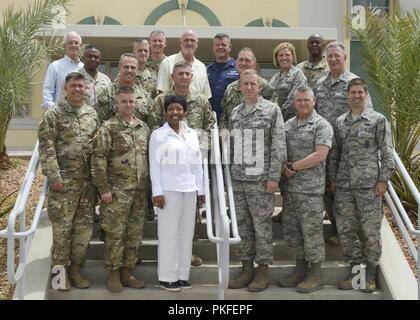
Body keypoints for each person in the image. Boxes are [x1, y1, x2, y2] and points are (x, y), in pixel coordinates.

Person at [330, 78, 394, 292]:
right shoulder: (340, 122)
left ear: (366, 94)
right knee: (346, 231)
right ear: (347, 95)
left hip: (369, 186)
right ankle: (355, 273)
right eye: (353, 92)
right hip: (345, 187)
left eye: (360, 92)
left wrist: (383, 180)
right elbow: (335, 154)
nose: (356, 96)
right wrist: (333, 179)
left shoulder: (378, 120)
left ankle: (371, 275)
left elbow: (386, 152)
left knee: (370, 231)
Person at [148, 61, 215, 267]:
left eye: (187, 73)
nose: (184, 77)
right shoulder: (161, 100)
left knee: (190, 215)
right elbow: (153, 126)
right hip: (167, 168)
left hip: (191, 167)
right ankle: (169, 257)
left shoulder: (202, 101)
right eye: (180, 74)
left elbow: (210, 127)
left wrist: (199, 152)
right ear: (172, 77)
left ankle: (188, 252)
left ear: (192, 77)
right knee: (168, 217)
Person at [38, 72, 99, 290]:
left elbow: (97, 148)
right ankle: (59, 275)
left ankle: (75, 271)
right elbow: (47, 147)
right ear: (65, 88)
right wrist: (54, 177)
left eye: (81, 86)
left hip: (87, 185)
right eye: (73, 85)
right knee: (62, 232)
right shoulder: (53, 114)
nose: (77, 89)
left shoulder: (91, 114)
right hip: (63, 184)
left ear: (85, 89)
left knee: (83, 232)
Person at [227, 69, 286, 292]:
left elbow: (279, 145)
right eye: (245, 84)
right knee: (243, 226)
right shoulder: (235, 112)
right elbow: (232, 147)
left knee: (261, 227)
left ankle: (262, 271)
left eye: (253, 84)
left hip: (261, 181)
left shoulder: (272, 110)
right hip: (239, 179)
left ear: (260, 87)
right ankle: (246, 269)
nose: (249, 87)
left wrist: (274, 177)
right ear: (240, 87)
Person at [91, 86, 150, 292]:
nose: (128, 105)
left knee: (134, 233)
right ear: (117, 103)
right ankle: (113, 273)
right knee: (115, 233)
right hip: (116, 192)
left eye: (131, 101)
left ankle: (127, 271)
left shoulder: (144, 128)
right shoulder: (109, 128)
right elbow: (98, 159)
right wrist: (104, 189)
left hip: (140, 192)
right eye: (124, 101)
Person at [314, 41, 373, 244]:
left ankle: (351, 233)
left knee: (347, 192)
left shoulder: (355, 83)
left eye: (336, 56)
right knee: (327, 190)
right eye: (329, 56)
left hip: (349, 150)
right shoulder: (320, 84)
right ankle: (338, 228)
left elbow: (368, 114)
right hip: (326, 147)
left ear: (344, 58)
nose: (332, 59)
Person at [278, 86, 333, 293]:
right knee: (293, 233)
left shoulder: (321, 125)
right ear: (294, 103)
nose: (302, 103)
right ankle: (300, 270)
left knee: (311, 233)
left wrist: (293, 167)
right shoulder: (288, 125)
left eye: (306, 100)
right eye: (299, 100)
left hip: (310, 191)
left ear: (314, 101)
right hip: (290, 189)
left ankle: (316, 275)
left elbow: (320, 154)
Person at [149, 95, 205, 291]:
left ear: (185, 112)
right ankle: (167, 276)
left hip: (189, 189)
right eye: (171, 109)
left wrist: (201, 190)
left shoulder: (191, 134)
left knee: (186, 233)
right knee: (168, 234)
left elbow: (197, 163)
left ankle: (182, 275)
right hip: (168, 190)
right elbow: (154, 165)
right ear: (165, 112)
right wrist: (157, 192)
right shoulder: (158, 135)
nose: (175, 113)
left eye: (179, 109)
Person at [219, 47, 278, 130]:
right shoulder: (230, 88)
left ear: (254, 64)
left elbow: (274, 117)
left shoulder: (265, 86)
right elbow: (224, 116)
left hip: (259, 139)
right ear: (236, 63)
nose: (243, 63)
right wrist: (224, 132)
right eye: (241, 60)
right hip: (235, 139)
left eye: (247, 60)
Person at [96, 53, 153, 124]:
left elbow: (150, 124)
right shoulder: (107, 93)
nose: (129, 70)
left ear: (137, 69)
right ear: (119, 68)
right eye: (126, 67)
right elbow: (99, 122)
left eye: (133, 67)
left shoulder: (145, 96)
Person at [157, 30, 212, 99]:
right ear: (181, 43)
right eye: (186, 40)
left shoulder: (202, 67)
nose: (189, 43)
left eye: (192, 40)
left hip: (197, 108)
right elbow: (162, 93)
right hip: (175, 108)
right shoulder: (167, 62)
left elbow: (206, 96)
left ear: (197, 44)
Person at [42, 31, 83, 109]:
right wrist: (54, 111)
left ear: (80, 46)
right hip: (60, 115)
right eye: (70, 43)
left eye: (76, 43)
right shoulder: (55, 66)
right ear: (64, 46)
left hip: (80, 115)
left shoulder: (84, 68)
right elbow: (47, 92)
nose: (73, 45)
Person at [270, 42, 307, 122]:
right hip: (276, 121)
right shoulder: (274, 78)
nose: (284, 58)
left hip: (293, 122)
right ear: (276, 58)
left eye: (287, 55)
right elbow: (271, 100)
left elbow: (293, 100)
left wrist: (278, 116)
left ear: (293, 57)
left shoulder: (298, 74)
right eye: (281, 55)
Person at [207, 33, 239, 123]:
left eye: (224, 45)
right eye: (217, 45)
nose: (220, 47)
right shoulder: (206, 70)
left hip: (233, 120)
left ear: (230, 47)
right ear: (213, 48)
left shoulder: (238, 68)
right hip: (211, 120)